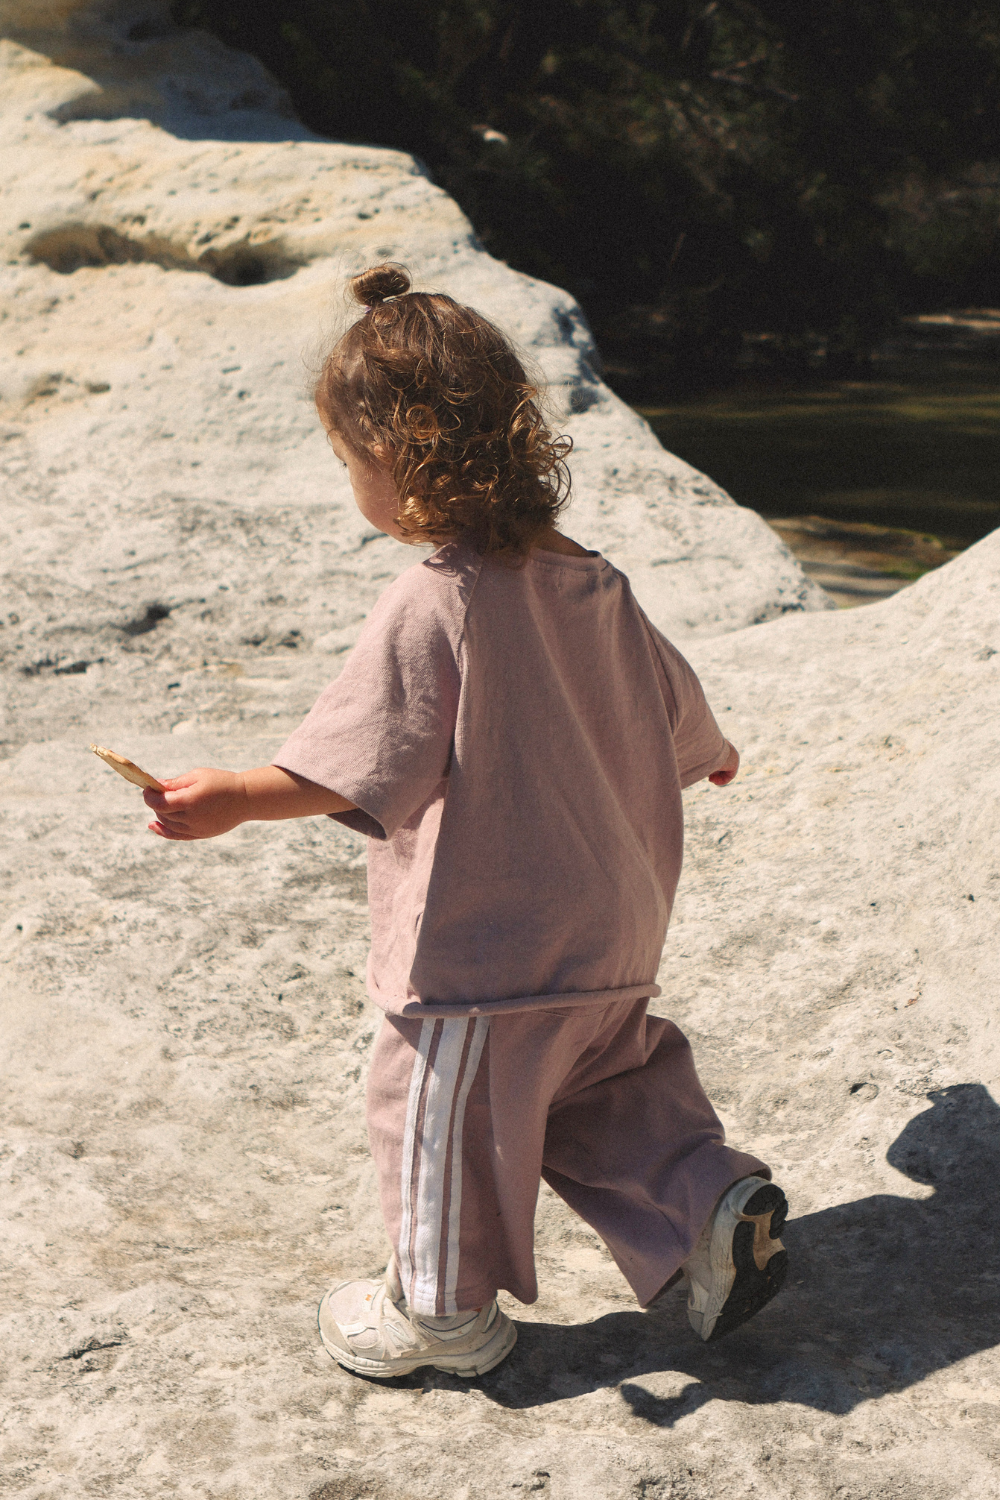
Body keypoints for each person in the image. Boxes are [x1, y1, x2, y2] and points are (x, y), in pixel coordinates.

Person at [143, 263, 788, 1380]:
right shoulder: (595, 582)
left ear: (395, 460)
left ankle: (440, 1315)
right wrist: (713, 756)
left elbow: (359, 759)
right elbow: (680, 715)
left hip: (487, 952)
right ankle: (709, 1207)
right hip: (614, 936)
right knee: (601, 1085)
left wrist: (238, 796)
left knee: (439, 1114)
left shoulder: (436, 599)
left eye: (349, 463)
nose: (353, 483)